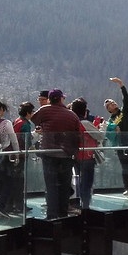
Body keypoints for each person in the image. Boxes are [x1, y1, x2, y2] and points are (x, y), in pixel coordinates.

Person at [30, 88, 81, 220]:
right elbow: (78, 134)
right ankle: (63, 214)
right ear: (60, 99)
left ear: (50, 99)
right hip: (66, 154)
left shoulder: (44, 110)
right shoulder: (72, 115)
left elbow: (34, 120)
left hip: (49, 153)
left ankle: (51, 215)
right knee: (64, 186)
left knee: (51, 185)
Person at [71, 98, 106, 210]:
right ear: (84, 111)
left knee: (77, 181)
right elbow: (100, 136)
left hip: (74, 156)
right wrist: (103, 127)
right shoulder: (85, 123)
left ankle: (76, 203)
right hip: (87, 156)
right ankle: (86, 206)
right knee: (87, 182)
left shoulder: (71, 123)